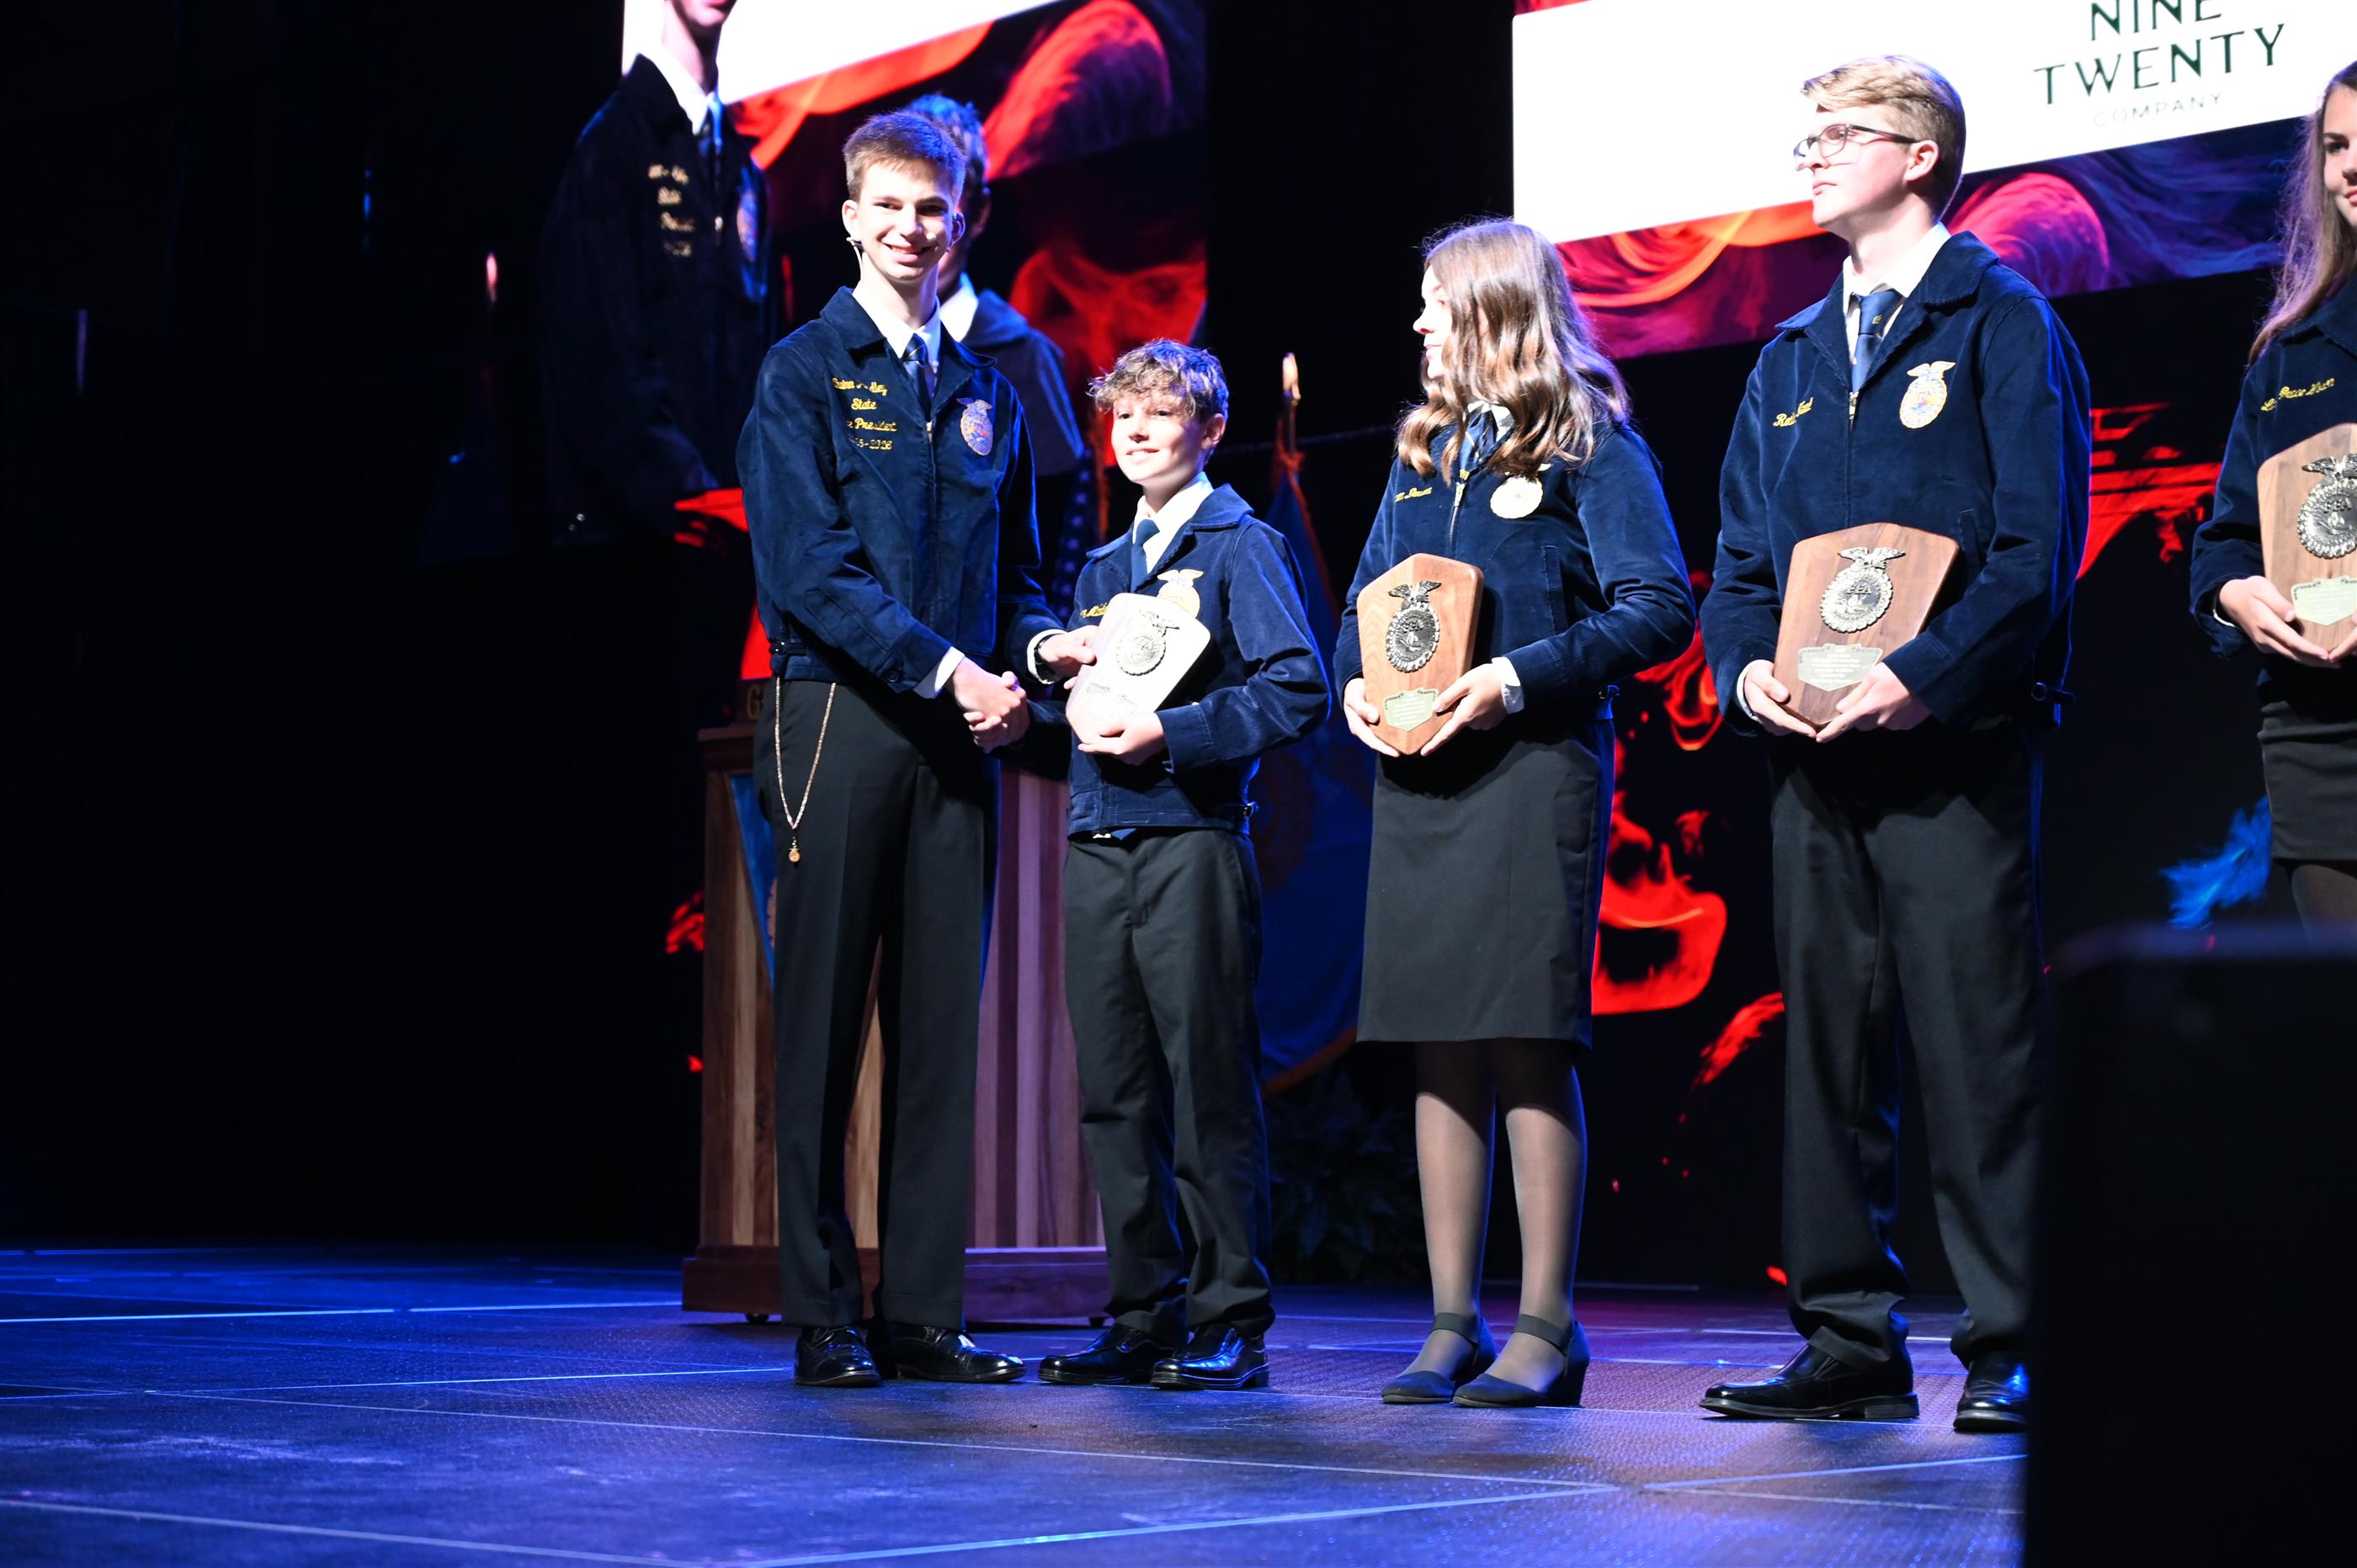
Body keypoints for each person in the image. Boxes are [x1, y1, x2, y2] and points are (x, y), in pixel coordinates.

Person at [1697, 56, 2091, 1433]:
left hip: (1952, 751)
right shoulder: (1790, 356)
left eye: (1839, 134)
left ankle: (2013, 1341)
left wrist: (1923, 678)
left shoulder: (2002, 320)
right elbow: (1741, 571)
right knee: (1826, 1054)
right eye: (1805, 135)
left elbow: (2037, 552)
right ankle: (1849, 1340)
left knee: (1978, 1049)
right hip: (1813, 760)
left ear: (1921, 156)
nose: (1810, 155)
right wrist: (1745, 672)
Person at [737, 109, 1086, 1389]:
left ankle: (924, 1312)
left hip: (960, 738)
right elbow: (811, 572)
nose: (909, 227)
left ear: (960, 222)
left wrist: (1039, 661)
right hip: (838, 719)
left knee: (942, 1029)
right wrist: (953, 670)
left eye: (931, 208)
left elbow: (1023, 577)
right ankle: (826, 1310)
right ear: (848, 220)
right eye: (886, 205)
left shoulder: (990, 385)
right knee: (823, 1026)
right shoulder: (803, 372)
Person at [1333, 220, 1693, 1410]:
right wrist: (1353, 685)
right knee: (1437, 1042)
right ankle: (1452, 1322)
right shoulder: (1423, 452)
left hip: (1533, 771)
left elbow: (1659, 607)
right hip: (1418, 777)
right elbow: (1363, 605)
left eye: (1436, 303)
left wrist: (1513, 679)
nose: (1418, 323)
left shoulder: (1589, 440)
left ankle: (1547, 1324)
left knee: (1526, 1039)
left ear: (1492, 310)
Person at [1030, 341, 1327, 1392]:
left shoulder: (1240, 544)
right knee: (1114, 1093)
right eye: (1125, 417)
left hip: (1191, 842)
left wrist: (1174, 734)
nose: (1140, 432)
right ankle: (1144, 1310)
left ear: (1210, 429)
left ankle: (1229, 1315)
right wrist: (1036, 691)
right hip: (1097, 841)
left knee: (1207, 1086)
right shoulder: (1102, 570)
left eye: (1162, 414)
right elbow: (1086, 714)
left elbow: (1297, 689)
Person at [2189, 60, 2357, 927]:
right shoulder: (2289, 352)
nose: (2349, 168)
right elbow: (2225, 538)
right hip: (2321, 737)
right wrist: (2233, 595)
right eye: (2335, 146)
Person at [904, 93, 1094, 615]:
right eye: (899, 203)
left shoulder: (1024, 359)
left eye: (938, 204)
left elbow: (1054, 540)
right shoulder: (842, 356)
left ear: (979, 212)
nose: (916, 231)